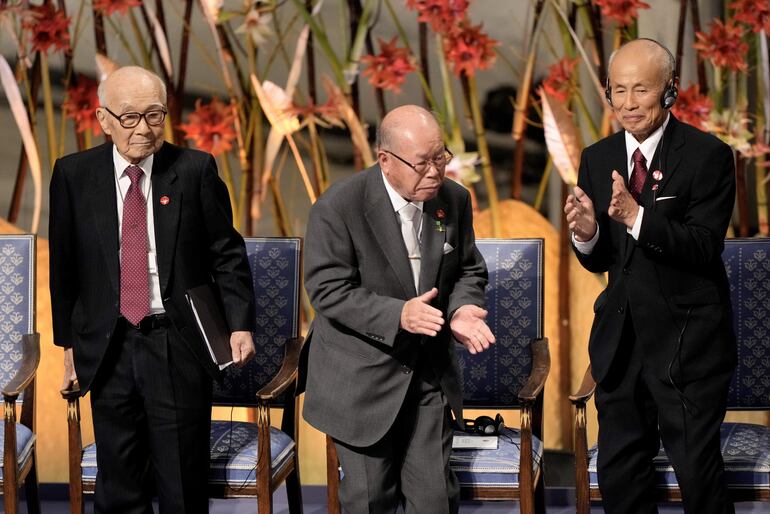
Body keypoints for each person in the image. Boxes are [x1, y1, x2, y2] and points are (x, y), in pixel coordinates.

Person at [49, 66, 256, 514]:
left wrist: (239, 325)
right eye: (130, 118)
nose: (144, 129)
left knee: (181, 479)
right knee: (119, 480)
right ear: (103, 119)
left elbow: (227, 253)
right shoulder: (73, 175)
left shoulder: (194, 169)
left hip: (176, 339)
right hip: (109, 343)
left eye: (155, 115)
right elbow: (64, 270)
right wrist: (68, 346)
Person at [565, 39, 736, 513]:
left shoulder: (708, 155)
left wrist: (638, 216)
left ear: (669, 92)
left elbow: (704, 247)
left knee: (698, 476)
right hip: (621, 343)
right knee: (620, 473)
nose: (627, 102)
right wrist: (588, 233)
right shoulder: (597, 158)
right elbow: (603, 262)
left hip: (688, 342)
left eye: (640, 89)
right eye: (618, 90)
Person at [300, 105, 495, 513]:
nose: (435, 172)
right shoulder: (338, 207)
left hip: (426, 373)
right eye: (422, 163)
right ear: (385, 160)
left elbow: (467, 270)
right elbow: (327, 289)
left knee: (435, 500)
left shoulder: (453, 200)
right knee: (372, 501)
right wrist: (398, 315)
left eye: (440, 157)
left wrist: (461, 309)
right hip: (360, 379)